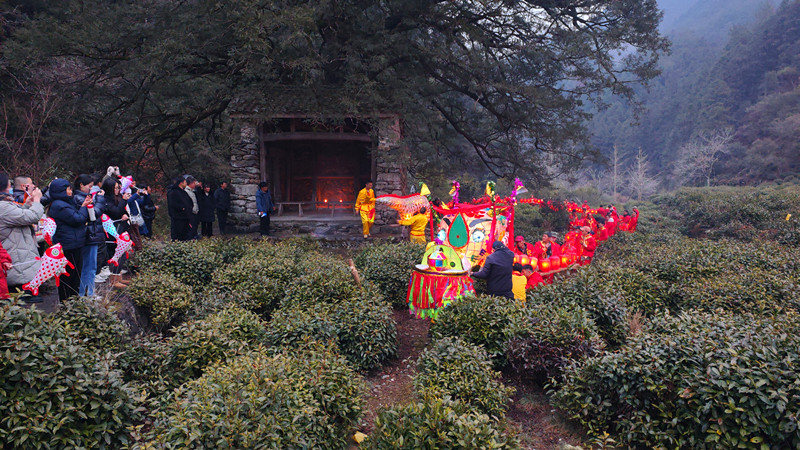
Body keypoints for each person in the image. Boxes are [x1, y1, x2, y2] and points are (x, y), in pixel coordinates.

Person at [0, 173, 44, 300]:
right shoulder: (3, 206)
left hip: (20, 261)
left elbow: (17, 218)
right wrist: (36, 201)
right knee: (23, 305)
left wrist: (27, 204)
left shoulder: (5, 204)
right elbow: (32, 217)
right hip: (18, 265)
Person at [48, 178, 91, 301]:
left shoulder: (65, 203)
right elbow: (77, 219)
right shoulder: (59, 206)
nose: (71, 191)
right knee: (68, 278)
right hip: (68, 246)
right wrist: (84, 207)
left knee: (75, 277)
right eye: (68, 189)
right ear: (61, 191)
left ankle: (73, 304)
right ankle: (67, 304)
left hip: (74, 243)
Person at [73, 174, 105, 297]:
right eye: (90, 186)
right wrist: (101, 199)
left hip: (90, 235)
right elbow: (94, 214)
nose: (91, 189)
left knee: (89, 266)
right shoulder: (80, 199)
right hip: (89, 235)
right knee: (89, 266)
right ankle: (87, 294)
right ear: (81, 185)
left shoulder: (81, 197)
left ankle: (87, 292)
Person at [101, 177, 130, 289]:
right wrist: (124, 200)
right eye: (116, 188)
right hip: (113, 231)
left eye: (119, 188)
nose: (118, 190)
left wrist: (125, 214)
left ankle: (118, 276)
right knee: (116, 254)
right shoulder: (106, 200)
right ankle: (113, 279)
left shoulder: (116, 198)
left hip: (121, 229)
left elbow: (121, 211)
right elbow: (115, 211)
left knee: (122, 253)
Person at [168, 176, 193, 241]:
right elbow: (173, 204)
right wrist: (182, 208)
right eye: (185, 182)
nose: (186, 183)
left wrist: (189, 208)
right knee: (179, 235)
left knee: (186, 235)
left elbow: (190, 201)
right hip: (178, 218)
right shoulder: (174, 192)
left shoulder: (184, 192)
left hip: (186, 217)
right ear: (181, 183)